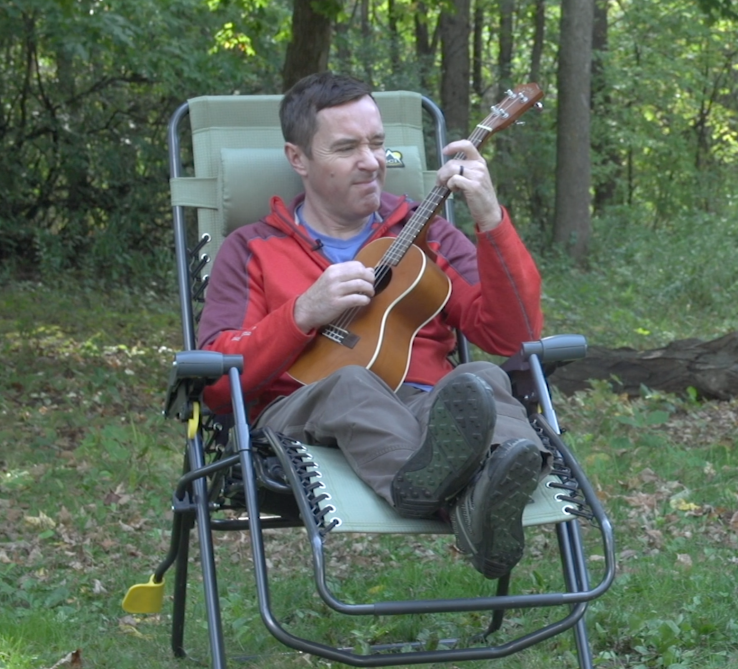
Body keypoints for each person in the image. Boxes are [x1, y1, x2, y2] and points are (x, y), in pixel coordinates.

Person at [196, 71, 548, 580]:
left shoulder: (427, 234)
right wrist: (301, 313)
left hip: (429, 409)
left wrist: (490, 219)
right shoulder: (252, 248)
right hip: (306, 414)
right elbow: (215, 382)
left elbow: (511, 337)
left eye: (377, 143)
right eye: (346, 148)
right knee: (351, 383)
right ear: (298, 158)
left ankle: (494, 482)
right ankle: (446, 492)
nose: (371, 161)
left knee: (483, 379)